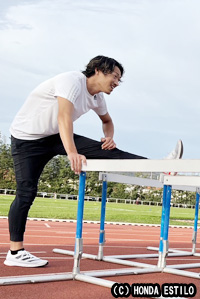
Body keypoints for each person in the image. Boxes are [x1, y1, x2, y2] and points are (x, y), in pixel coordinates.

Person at [4, 55, 183, 268]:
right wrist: (72, 152)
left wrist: (109, 137)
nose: (117, 83)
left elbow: (107, 121)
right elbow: (64, 117)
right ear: (98, 69)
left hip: (55, 136)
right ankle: (15, 252)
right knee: (26, 193)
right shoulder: (71, 81)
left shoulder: (98, 98)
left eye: (119, 80)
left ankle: (162, 168)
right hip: (27, 139)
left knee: (109, 151)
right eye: (115, 77)